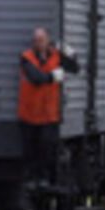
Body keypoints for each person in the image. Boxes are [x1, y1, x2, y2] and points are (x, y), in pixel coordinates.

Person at [18, 27, 79, 187]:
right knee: (31, 150)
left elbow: (74, 69)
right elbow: (36, 78)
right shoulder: (27, 58)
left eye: (42, 40)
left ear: (48, 41)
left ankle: (44, 178)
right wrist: (53, 76)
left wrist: (71, 54)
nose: (39, 43)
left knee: (47, 148)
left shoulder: (56, 56)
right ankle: (31, 179)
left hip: (49, 114)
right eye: (36, 40)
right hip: (30, 114)